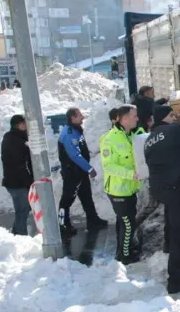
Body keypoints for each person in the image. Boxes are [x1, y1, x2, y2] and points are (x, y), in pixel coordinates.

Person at [144, 105, 180, 294]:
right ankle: (175, 280)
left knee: (170, 222)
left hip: (160, 190)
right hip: (178, 189)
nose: (175, 117)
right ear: (164, 118)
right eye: (171, 115)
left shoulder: (149, 139)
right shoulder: (175, 130)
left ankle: (167, 252)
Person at [100, 105, 142, 264]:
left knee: (123, 223)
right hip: (118, 190)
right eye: (134, 116)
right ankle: (125, 256)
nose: (137, 119)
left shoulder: (130, 135)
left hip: (130, 188)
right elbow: (108, 166)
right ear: (124, 119)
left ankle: (124, 249)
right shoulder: (110, 139)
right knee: (128, 224)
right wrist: (131, 174)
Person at [58, 107, 108, 235]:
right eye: (79, 115)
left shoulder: (76, 130)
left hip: (80, 171)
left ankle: (93, 220)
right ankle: (63, 225)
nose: (82, 117)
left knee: (86, 196)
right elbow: (74, 155)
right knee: (67, 199)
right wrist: (89, 168)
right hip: (72, 173)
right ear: (72, 118)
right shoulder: (69, 133)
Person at [1, 115, 34, 235]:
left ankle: (16, 233)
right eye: (24, 124)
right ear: (19, 125)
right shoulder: (17, 141)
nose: (26, 126)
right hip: (17, 182)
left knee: (20, 209)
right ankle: (21, 235)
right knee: (23, 209)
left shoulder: (10, 137)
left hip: (12, 181)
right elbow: (20, 164)